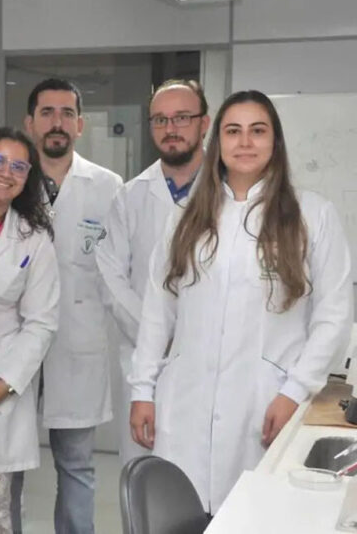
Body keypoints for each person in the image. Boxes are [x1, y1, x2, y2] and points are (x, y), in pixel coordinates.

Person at [129, 90, 353, 513]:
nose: (245, 142)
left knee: (253, 515)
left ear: (276, 143)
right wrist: (143, 388)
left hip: (266, 403)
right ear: (218, 143)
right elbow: (158, 311)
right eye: (233, 131)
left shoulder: (312, 216)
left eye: (257, 131)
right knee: (183, 515)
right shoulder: (186, 218)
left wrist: (294, 391)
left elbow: (334, 317)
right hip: (184, 402)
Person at [22, 78, 122, 534]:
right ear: (30, 122)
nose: (56, 122)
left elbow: (121, 270)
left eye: (66, 113)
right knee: (7, 462)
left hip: (78, 340)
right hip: (17, 341)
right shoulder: (9, 180)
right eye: (46, 112)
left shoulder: (108, 187)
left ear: (80, 125)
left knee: (77, 465)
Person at [96, 79, 210, 465]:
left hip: (212, 358)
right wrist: (156, 336)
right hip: (143, 360)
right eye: (160, 120)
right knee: (146, 483)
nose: (171, 128)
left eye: (182, 117)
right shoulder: (130, 196)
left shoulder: (231, 193)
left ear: (204, 123)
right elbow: (112, 282)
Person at [0, 127, 60, 534]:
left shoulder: (33, 239)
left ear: (28, 178)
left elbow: (42, 320)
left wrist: (8, 381)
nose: (6, 172)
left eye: (19, 166)